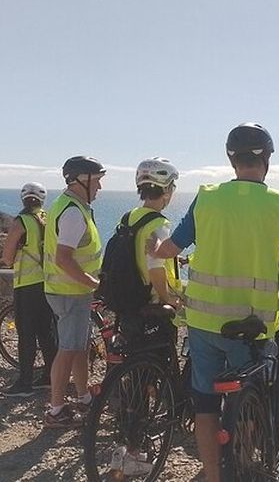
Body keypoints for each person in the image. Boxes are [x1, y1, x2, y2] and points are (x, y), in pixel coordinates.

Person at [149, 123, 279, 482]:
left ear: (231, 159)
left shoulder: (208, 197)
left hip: (203, 321)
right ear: (266, 159)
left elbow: (172, 248)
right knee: (254, 398)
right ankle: (246, 464)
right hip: (253, 325)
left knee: (204, 401)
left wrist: (154, 250)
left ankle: (214, 474)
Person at [108, 157, 183, 477]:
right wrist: (173, 300)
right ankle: (136, 453)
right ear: (165, 190)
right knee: (151, 379)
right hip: (152, 310)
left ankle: (125, 447)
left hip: (127, 308)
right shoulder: (158, 224)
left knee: (134, 380)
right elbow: (155, 270)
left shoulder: (129, 218)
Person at [43, 156, 106, 428]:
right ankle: (56, 411)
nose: (100, 188)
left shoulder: (68, 205)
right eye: (98, 181)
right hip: (70, 291)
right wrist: (94, 283)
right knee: (68, 349)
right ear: (83, 179)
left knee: (79, 346)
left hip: (69, 290)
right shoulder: (72, 212)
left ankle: (83, 397)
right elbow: (64, 258)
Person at [0, 182, 57, 397]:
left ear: (23, 198)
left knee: (26, 333)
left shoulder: (21, 221)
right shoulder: (47, 218)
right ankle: (49, 377)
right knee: (46, 331)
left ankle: (24, 383)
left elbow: (7, 257)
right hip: (48, 282)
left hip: (27, 284)